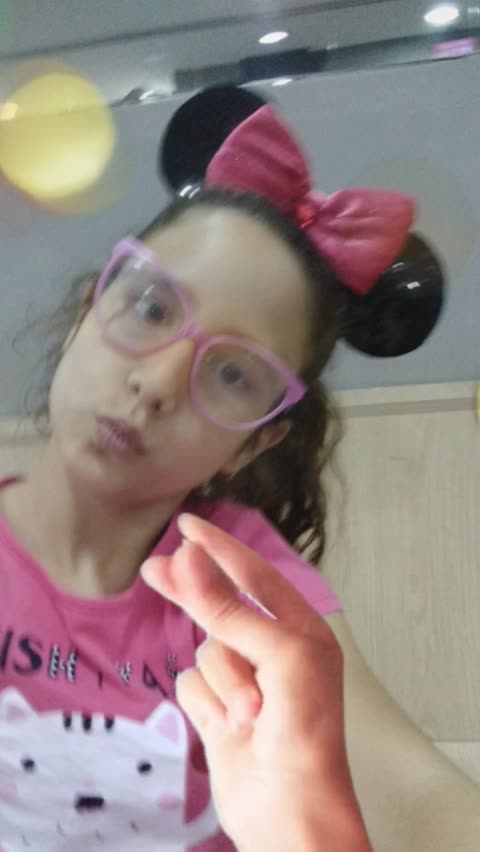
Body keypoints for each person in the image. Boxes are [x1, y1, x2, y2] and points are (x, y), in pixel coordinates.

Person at [0, 102, 478, 851]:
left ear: (252, 444)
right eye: (150, 307)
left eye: (231, 375)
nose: (158, 383)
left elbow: (414, 795)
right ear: (89, 312)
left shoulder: (238, 580)